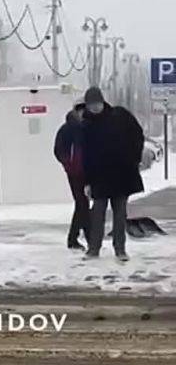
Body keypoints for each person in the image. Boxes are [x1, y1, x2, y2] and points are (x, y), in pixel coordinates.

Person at [80, 87, 145, 262]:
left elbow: (138, 135)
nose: (95, 108)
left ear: (103, 102)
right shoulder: (86, 125)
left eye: (97, 103)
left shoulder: (120, 116)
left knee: (120, 214)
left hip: (121, 175)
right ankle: (94, 249)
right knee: (98, 214)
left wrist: (134, 158)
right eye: (91, 105)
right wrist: (86, 181)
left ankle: (120, 249)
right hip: (99, 178)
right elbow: (84, 155)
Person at [53, 104, 90, 251]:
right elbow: (58, 150)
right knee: (82, 203)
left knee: (82, 204)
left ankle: (74, 238)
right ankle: (86, 237)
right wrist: (68, 164)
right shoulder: (67, 129)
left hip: (87, 172)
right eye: (81, 111)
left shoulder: (86, 128)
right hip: (74, 172)